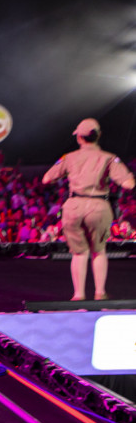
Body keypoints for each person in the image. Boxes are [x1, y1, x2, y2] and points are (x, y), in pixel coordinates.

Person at [42, 118, 135, 301]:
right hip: (98, 206)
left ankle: (78, 295)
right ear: (98, 136)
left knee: (79, 252)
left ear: (79, 138)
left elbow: (47, 179)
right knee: (98, 251)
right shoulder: (109, 158)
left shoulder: (68, 158)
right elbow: (129, 184)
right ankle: (100, 293)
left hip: (74, 206)